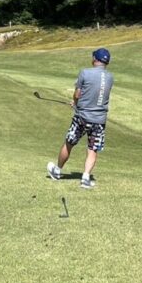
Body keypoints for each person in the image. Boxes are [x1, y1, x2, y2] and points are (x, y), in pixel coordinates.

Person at [47, 47, 114, 189]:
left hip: (82, 117)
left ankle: (57, 171)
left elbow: (78, 94)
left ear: (95, 59)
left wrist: (75, 102)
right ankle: (85, 178)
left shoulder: (85, 72)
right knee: (92, 149)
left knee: (69, 143)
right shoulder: (110, 77)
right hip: (99, 120)